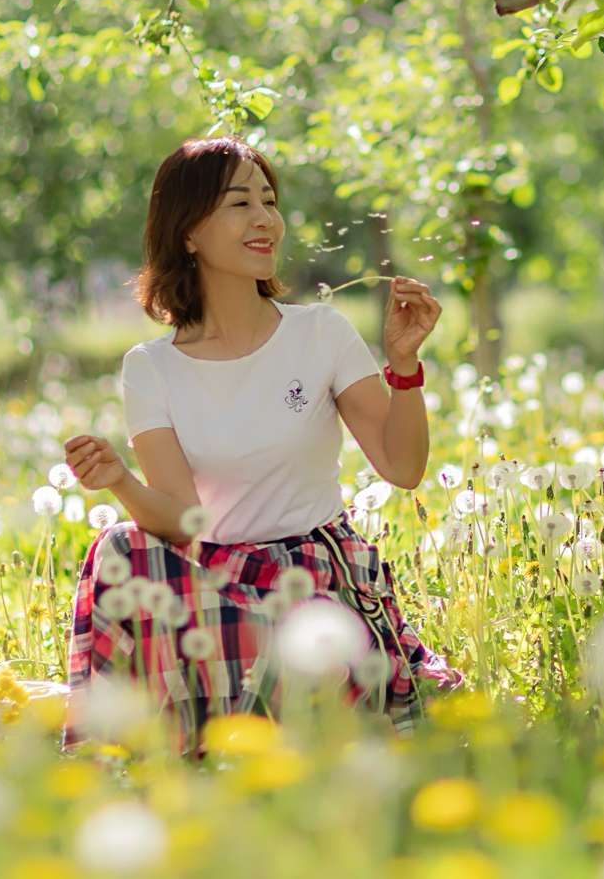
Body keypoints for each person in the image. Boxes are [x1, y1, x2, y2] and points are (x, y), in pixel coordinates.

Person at [58, 136, 462, 758]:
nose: (264, 219)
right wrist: (118, 479)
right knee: (120, 547)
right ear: (188, 232)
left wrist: (403, 367)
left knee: (291, 646)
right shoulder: (152, 368)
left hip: (314, 580)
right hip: (216, 583)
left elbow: (403, 468)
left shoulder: (320, 333)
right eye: (239, 203)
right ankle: (109, 759)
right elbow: (182, 520)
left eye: (269, 201)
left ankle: (229, 735)